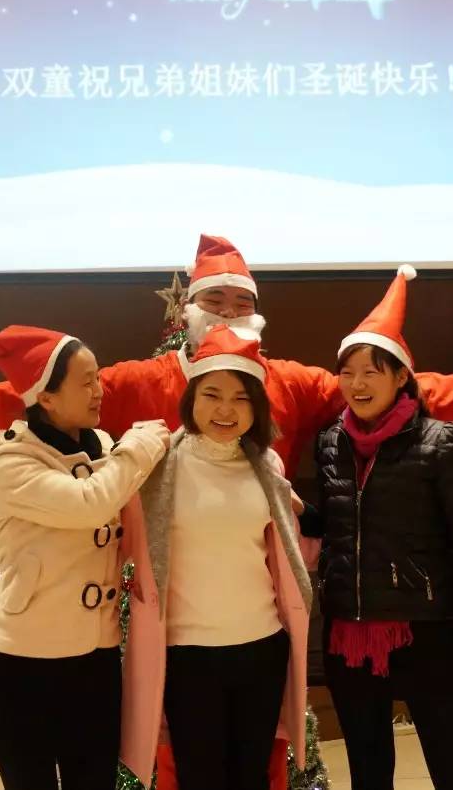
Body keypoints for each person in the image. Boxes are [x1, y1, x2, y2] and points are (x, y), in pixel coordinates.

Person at [0, 235, 453, 476]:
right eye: (213, 301)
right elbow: (30, 399)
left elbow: (381, 391)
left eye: (239, 302)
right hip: (163, 571)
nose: (226, 312)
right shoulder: (140, 382)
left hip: (260, 564)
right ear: (188, 312)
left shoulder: (291, 383)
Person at [301, 266, 453, 790]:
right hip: (350, 632)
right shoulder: (330, 442)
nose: (357, 384)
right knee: (368, 774)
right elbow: (342, 524)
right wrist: (291, 508)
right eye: (347, 372)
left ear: (400, 378)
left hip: (428, 630)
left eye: (371, 371)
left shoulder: (444, 442)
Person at [0, 325, 170, 789]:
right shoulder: (10, 461)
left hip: (95, 661)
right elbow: (89, 504)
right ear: (46, 397)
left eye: (98, 378)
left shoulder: (104, 447)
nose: (99, 391)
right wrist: (139, 448)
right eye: (85, 382)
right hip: (22, 663)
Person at [120, 324, 313, 790]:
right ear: (191, 398)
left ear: (256, 407)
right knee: (200, 777)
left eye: (241, 398)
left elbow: (287, 543)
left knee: (252, 776)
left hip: (262, 647)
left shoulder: (267, 465)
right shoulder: (158, 463)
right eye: (212, 394)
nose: (225, 409)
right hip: (188, 654)